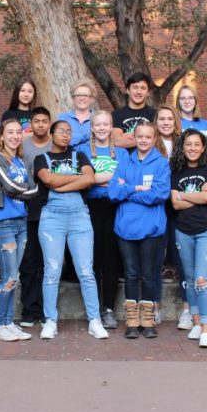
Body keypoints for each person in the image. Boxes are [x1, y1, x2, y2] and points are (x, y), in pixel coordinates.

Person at [33, 120, 109, 340]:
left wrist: (59, 184)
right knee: (52, 270)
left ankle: (94, 320)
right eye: (61, 131)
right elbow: (47, 179)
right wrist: (77, 180)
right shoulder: (42, 159)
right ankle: (50, 321)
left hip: (79, 217)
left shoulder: (80, 156)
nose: (66, 135)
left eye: (69, 132)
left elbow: (90, 179)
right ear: (52, 133)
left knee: (86, 270)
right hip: (52, 218)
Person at [108, 121, 171, 339]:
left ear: (154, 139)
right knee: (132, 274)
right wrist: (135, 188)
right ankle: (132, 321)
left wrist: (127, 191)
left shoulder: (161, 163)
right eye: (140, 136)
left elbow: (159, 194)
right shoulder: (125, 161)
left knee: (149, 274)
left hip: (151, 228)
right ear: (134, 138)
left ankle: (148, 320)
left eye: (148, 137)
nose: (143, 140)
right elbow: (113, 192)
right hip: (126, 227)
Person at [0, 119, 39, 341]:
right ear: (1, 136)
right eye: (10, 132)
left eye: (18, 132)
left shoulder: (20, 160)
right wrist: (22, 191)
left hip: (20, 222)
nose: (15, 136)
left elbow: (34, 188)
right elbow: (9, 186)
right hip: (3, 222)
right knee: (8, 276)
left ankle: (8, 322)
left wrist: (20, 192)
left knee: (14, 276)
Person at [169, 129, 207, 348]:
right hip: (183, 231)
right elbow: (175, 204)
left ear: (203, 147)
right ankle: (197, 323)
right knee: (190, 279)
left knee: (202, 280)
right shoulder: (177, 170)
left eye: (196, 144)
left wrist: (184, 195)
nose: (192, 148)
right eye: (188, 144)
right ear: (182, 146)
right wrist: (197, 196)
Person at [78, 110, 122, 329]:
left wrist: (97, 179)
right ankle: (93, 310)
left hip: (115, 208)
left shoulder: (122, 153)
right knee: (92, 259)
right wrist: (106, 180)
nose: (103, 128)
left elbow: (125, 181)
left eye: (106, 124)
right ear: (92, 128)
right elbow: (84, 180)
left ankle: (108, 309)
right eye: (98, 124)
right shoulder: (83, 151)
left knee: (111, 260)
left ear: (111, 127)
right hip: (91, 208)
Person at [18, 107, 52, 327]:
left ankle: (47, 310)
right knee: (28, 263)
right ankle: (30, 310)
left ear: (50, 123)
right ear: (31, 123)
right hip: (26, 208)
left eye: (44, 121)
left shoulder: (54, 145)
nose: (40, 125)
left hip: (49, 209)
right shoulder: (23, 144)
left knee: (48, 263)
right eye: (36, 121)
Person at [155, 105, 182, 324]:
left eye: (169, 119)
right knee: (156, 247)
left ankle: (185, 307)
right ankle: (155, 306)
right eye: (161, 119)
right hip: (156, 201)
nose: (165, 122)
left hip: (179, 201)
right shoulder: (151, 143)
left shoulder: (182, 142)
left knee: (177, 244)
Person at [112, 72, 157, 149]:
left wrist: (126, 136)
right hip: (124, 159)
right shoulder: (116, 114)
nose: (138, 92)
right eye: (135, 87)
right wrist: (147, 138)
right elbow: (117, 141)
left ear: (148, 92)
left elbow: (157, 140)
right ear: (128, 90)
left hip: (147, 159)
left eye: (143, 88)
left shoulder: (155, 114)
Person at [58, 80, 97, 151]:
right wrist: (88, 135)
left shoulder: (99, 118)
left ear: (92, 99)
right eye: (78, 95)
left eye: (85, 95)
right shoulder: (63, 118)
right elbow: (60, 141)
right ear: (73, 98)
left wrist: (72, 137)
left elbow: (101, 142)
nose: (82, 98)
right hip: (68, 158)